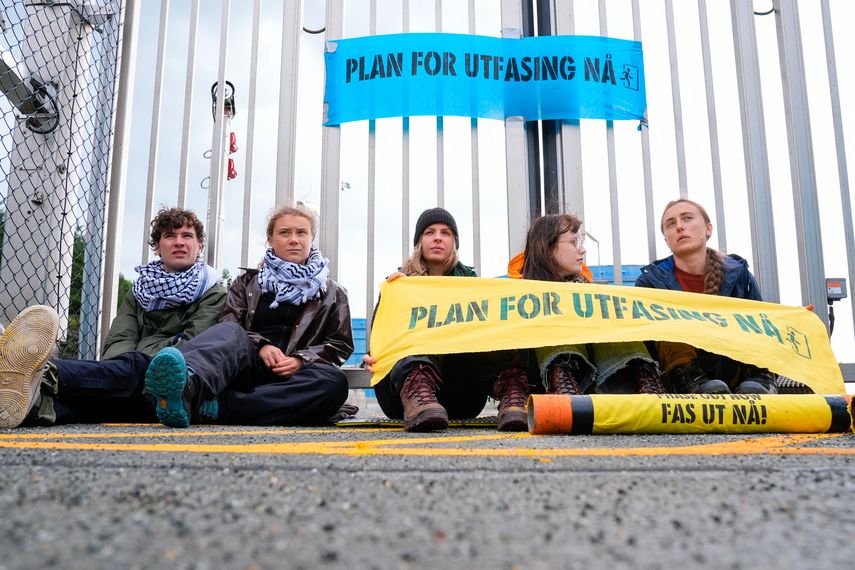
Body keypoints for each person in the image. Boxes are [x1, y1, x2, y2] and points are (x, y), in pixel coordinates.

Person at [0, 207, 227, 429]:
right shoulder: (140, 290)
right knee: (99, 405)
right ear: (158, 247)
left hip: (171, 381)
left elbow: (193, 346)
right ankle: (32, 409)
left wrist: (141, 366)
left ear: (199, 246)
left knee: (136, 367)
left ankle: (45, 372)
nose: (179, 242)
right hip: (129, 378)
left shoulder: (213, 291)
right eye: (170, 236)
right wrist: (123, 369)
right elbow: (119, 340)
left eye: (187, 236)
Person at [143, 202, 354, 427]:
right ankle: (189, 383)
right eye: (284, 233)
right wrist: (261, 345)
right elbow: (228, 323)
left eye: (301, 232)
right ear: (271, 240)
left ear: (311, 238)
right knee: (231, 331)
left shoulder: (334, 292)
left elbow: (339, 344)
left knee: (334, 382)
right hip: (248, 367)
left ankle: (214, 407)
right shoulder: (246, 282)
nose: (294, 239)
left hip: (295, 376)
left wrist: (301, 360)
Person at [362, 207, 532, 432]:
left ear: (454, 242)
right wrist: (374, 357)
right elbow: (380, 340)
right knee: (415, 339)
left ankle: (513, 396)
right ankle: (419, 393)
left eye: (446, 233)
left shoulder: (473, 286)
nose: (437, 238)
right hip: (402, 398)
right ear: (419, 242)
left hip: (461, 395)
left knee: (496, 329)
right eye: (429, 232)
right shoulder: (398, 285)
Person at [635, 198, 777, 394]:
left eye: (687, 218)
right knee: (667, 321)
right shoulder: (650, 282)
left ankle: (759, 377)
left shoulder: (739, 274)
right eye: (671, 224)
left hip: (737, 371)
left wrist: (793, 320)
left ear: (708, 229)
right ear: (666, 239)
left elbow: (763, 324)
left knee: (753, 318)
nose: (679, 227)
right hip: (681, 378)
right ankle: (690, 379)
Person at [517, 213, 666, 395]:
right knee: (547, 303)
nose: (582, 250)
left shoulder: (588, 288)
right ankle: (562, 377)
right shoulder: (517, 291)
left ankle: (642, 375)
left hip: (601, 379)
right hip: (543, 380)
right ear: (546, 247)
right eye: (574, 242)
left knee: (608, 307)